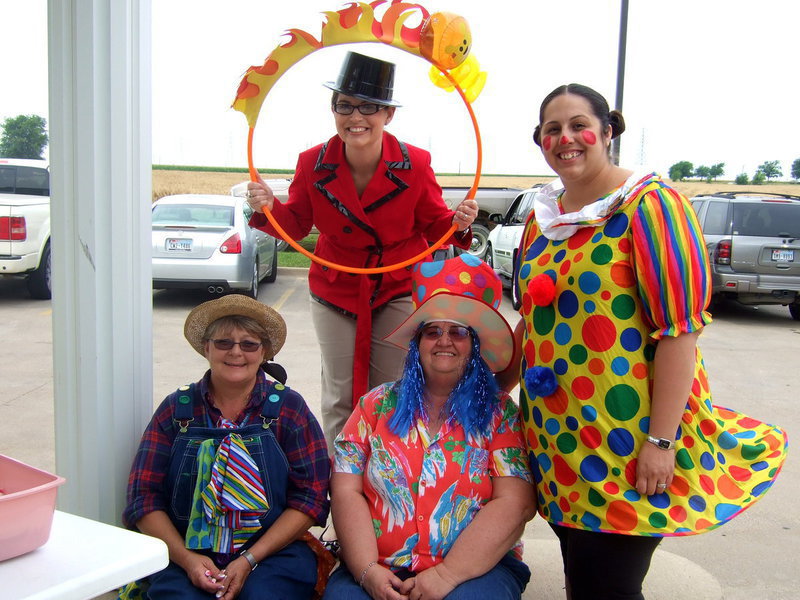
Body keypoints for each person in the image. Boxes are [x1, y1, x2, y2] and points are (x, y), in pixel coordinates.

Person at [498, 83, 788, 599]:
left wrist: (661, 442)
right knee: (582, 573)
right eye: (552, 129)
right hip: (557, 439)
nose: (566, 138)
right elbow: (534, 320)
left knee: (609, 584)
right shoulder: (541, 221)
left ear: (608, 132)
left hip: (626, 439)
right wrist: (497, 385)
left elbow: (680, 334)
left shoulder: (651, 207)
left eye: (578, 125)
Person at [244, 51, 478, 451]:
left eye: (369, 106)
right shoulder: (312, 163)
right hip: (336, 287)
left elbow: (436, 224)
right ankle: (343, 482)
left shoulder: (415, 164)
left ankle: (387, 478)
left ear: (388, 114)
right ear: (333, 110)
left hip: (397, 287)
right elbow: (296, 224)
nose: (356, 116)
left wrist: (459, 221)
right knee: (339, 393)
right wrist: (266, 206)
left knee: (391, 390)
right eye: (345, 106)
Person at [324, 255, 537, 600]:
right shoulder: (374, 406)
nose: (444, 340)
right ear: (417, 344)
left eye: (458, 332)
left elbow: (516, 504)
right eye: (432, 331)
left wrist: (447, 575)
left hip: (476, 570)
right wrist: (366, 571)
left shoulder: (500, 414)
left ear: (475, 346)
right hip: (379, 563)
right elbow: (346, 490)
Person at [123, 294, 331, 600]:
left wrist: (249, 559)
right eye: (224, 343)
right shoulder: (176, 408)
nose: (236, 352)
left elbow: (310, 499)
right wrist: (186, 559)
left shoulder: (289, 407)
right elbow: (143, 497)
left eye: (249, 344)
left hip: (271, 553)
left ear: (265, 353)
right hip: (185, 552)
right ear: (206, 348)